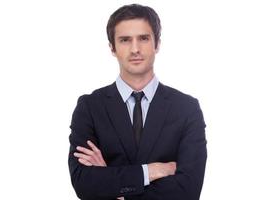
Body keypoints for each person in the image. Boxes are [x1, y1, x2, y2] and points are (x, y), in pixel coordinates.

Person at [68, 4, 207, 200]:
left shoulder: (186, 108)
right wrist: (151, 171)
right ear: (112, 48)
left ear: (157, 44)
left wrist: (113, 184)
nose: (135, 49)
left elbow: (188, 190)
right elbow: (83, 182)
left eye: (143, 38)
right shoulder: (90, 107)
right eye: (125, 40)